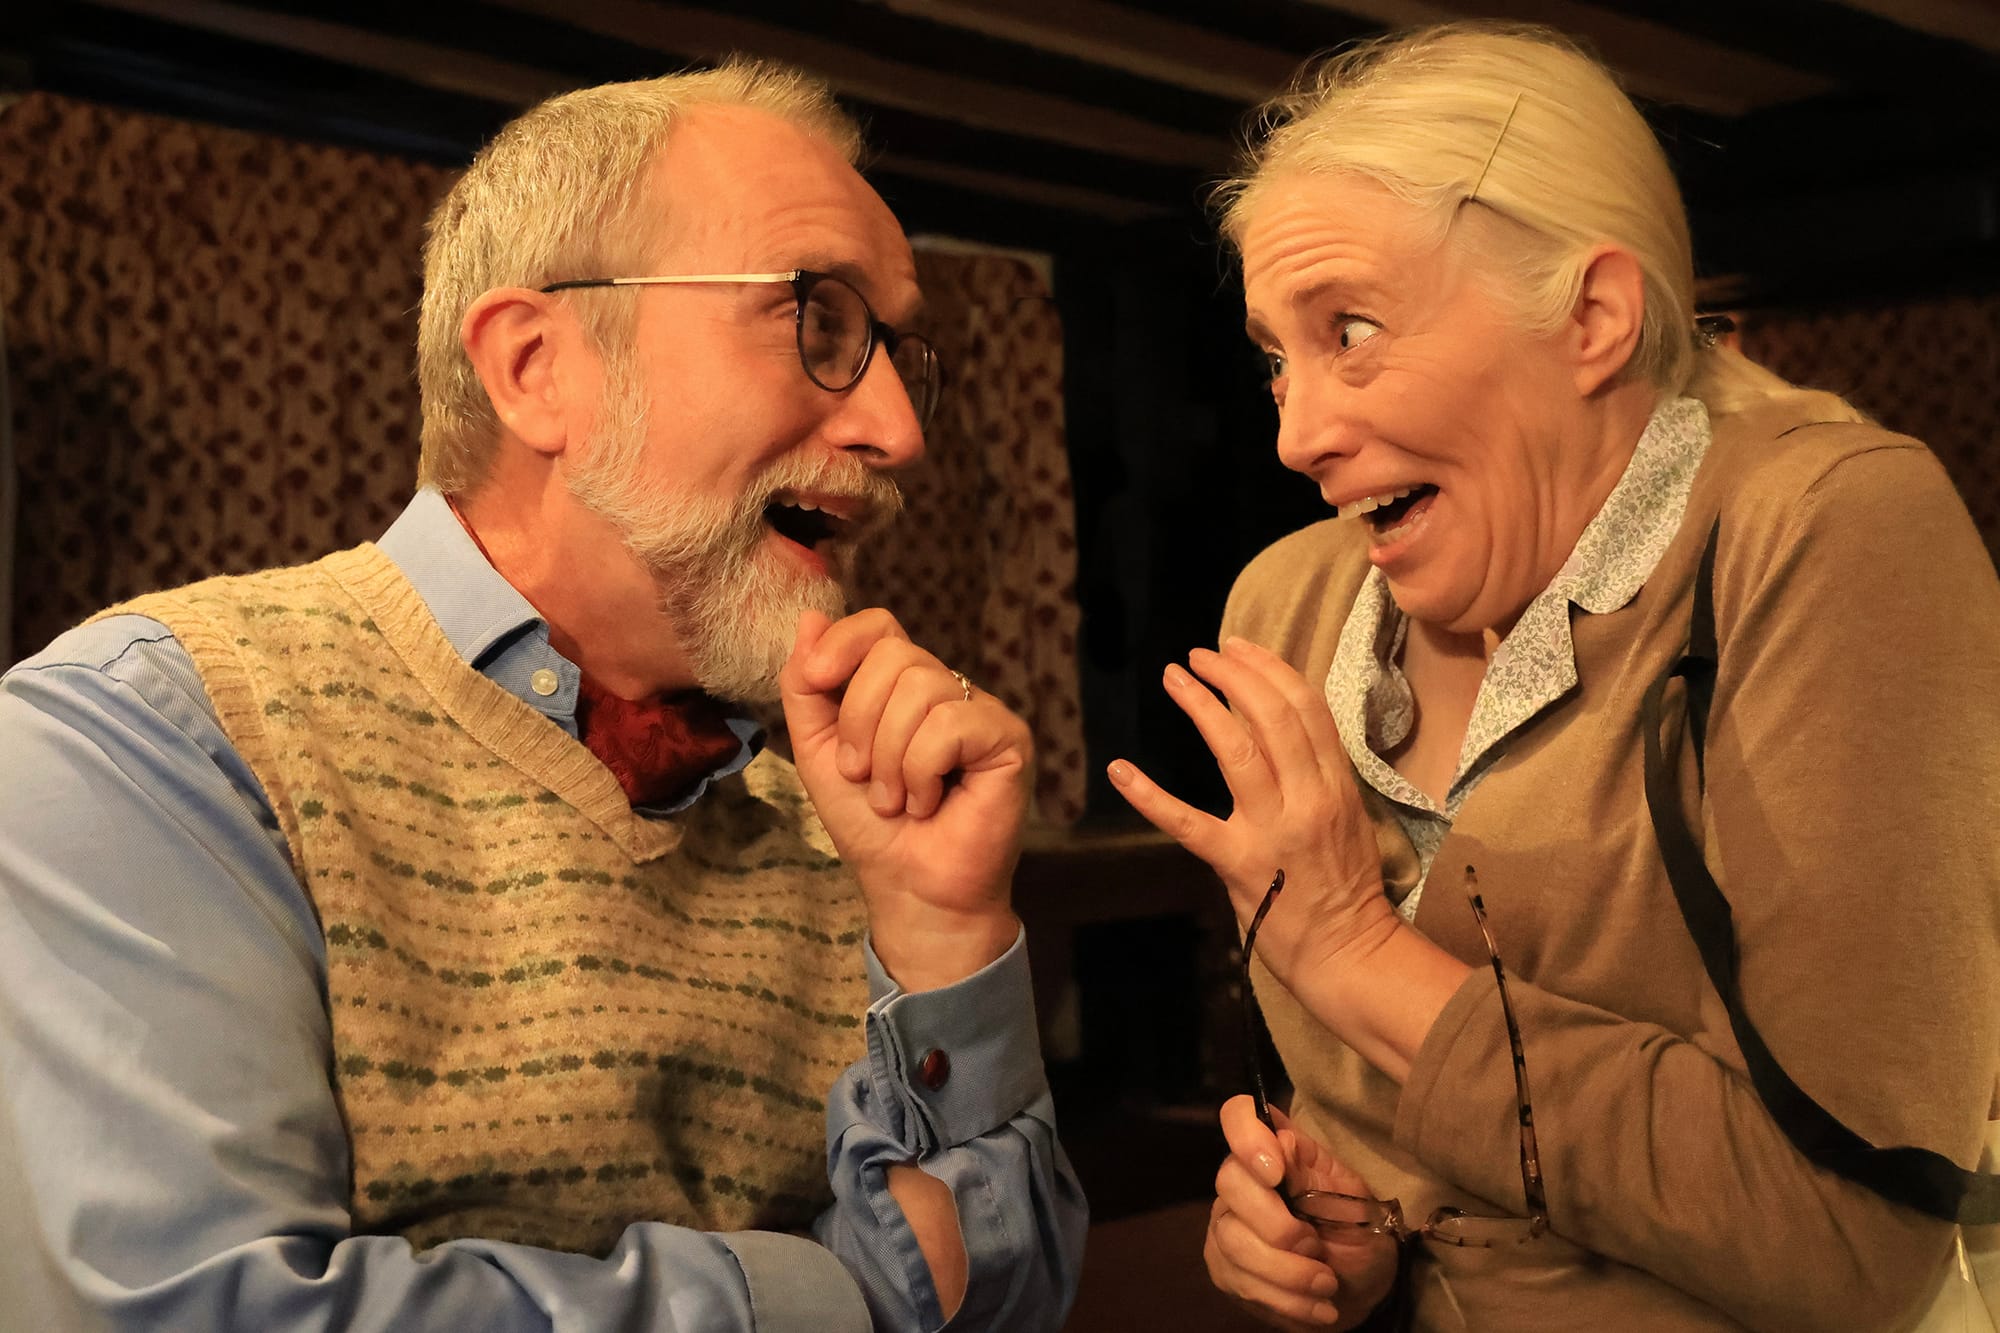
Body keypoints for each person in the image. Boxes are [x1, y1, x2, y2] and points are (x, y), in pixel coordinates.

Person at [0, 61, 1085, 1331]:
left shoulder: (850, 824)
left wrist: (941, 934)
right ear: (535, 368)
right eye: (820, 321)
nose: (899, 431)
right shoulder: (149, 737)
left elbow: (1008, 1301)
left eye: (899, 356)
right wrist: (844, 1296)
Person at [1109, 21, 2000, 1332]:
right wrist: (1348, 1229)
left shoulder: (1825, 529)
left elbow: (1853, 1246)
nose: (1296, 435)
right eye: (1277, 359)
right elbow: (1372, 1130)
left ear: (1592, 318)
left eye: (1351, 330)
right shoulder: (1288, 608)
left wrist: (1357, 953)